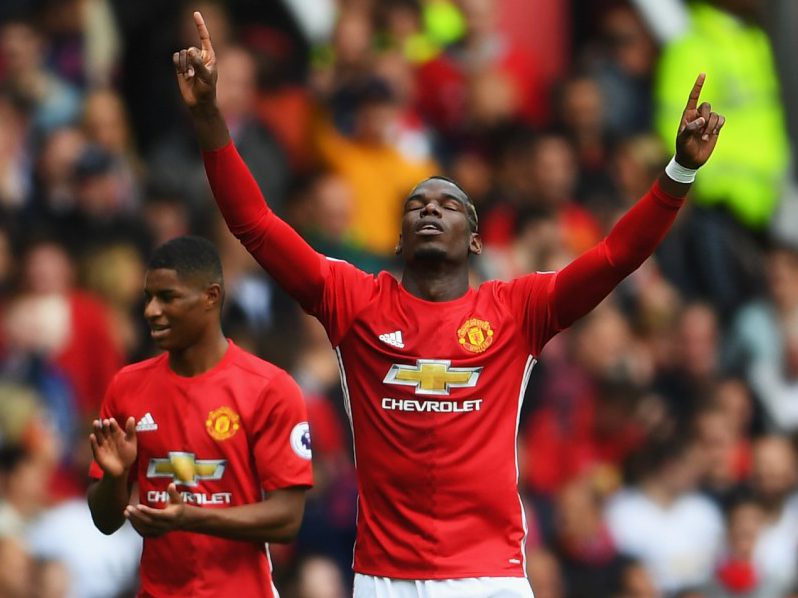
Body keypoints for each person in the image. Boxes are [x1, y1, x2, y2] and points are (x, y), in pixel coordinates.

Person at [175, 11, 725, 597]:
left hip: (491, 577)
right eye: (417, 205)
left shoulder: (518, 309)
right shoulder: (353, 300)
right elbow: (254, 224)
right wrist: (210, 116)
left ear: (477, 240)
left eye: (450, 204)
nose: (431, 208)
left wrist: (679, 171)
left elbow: (616, 255)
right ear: (398, 240)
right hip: (385, 579)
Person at [86, 235, 313, 598]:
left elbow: (288, 519)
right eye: (148, 298)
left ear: (211, 297)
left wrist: (193, 517)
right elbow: (106, 521)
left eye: (168, 297)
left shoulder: (270, 388)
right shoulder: (126, 387)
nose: (150, 311)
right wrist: (115, 478)